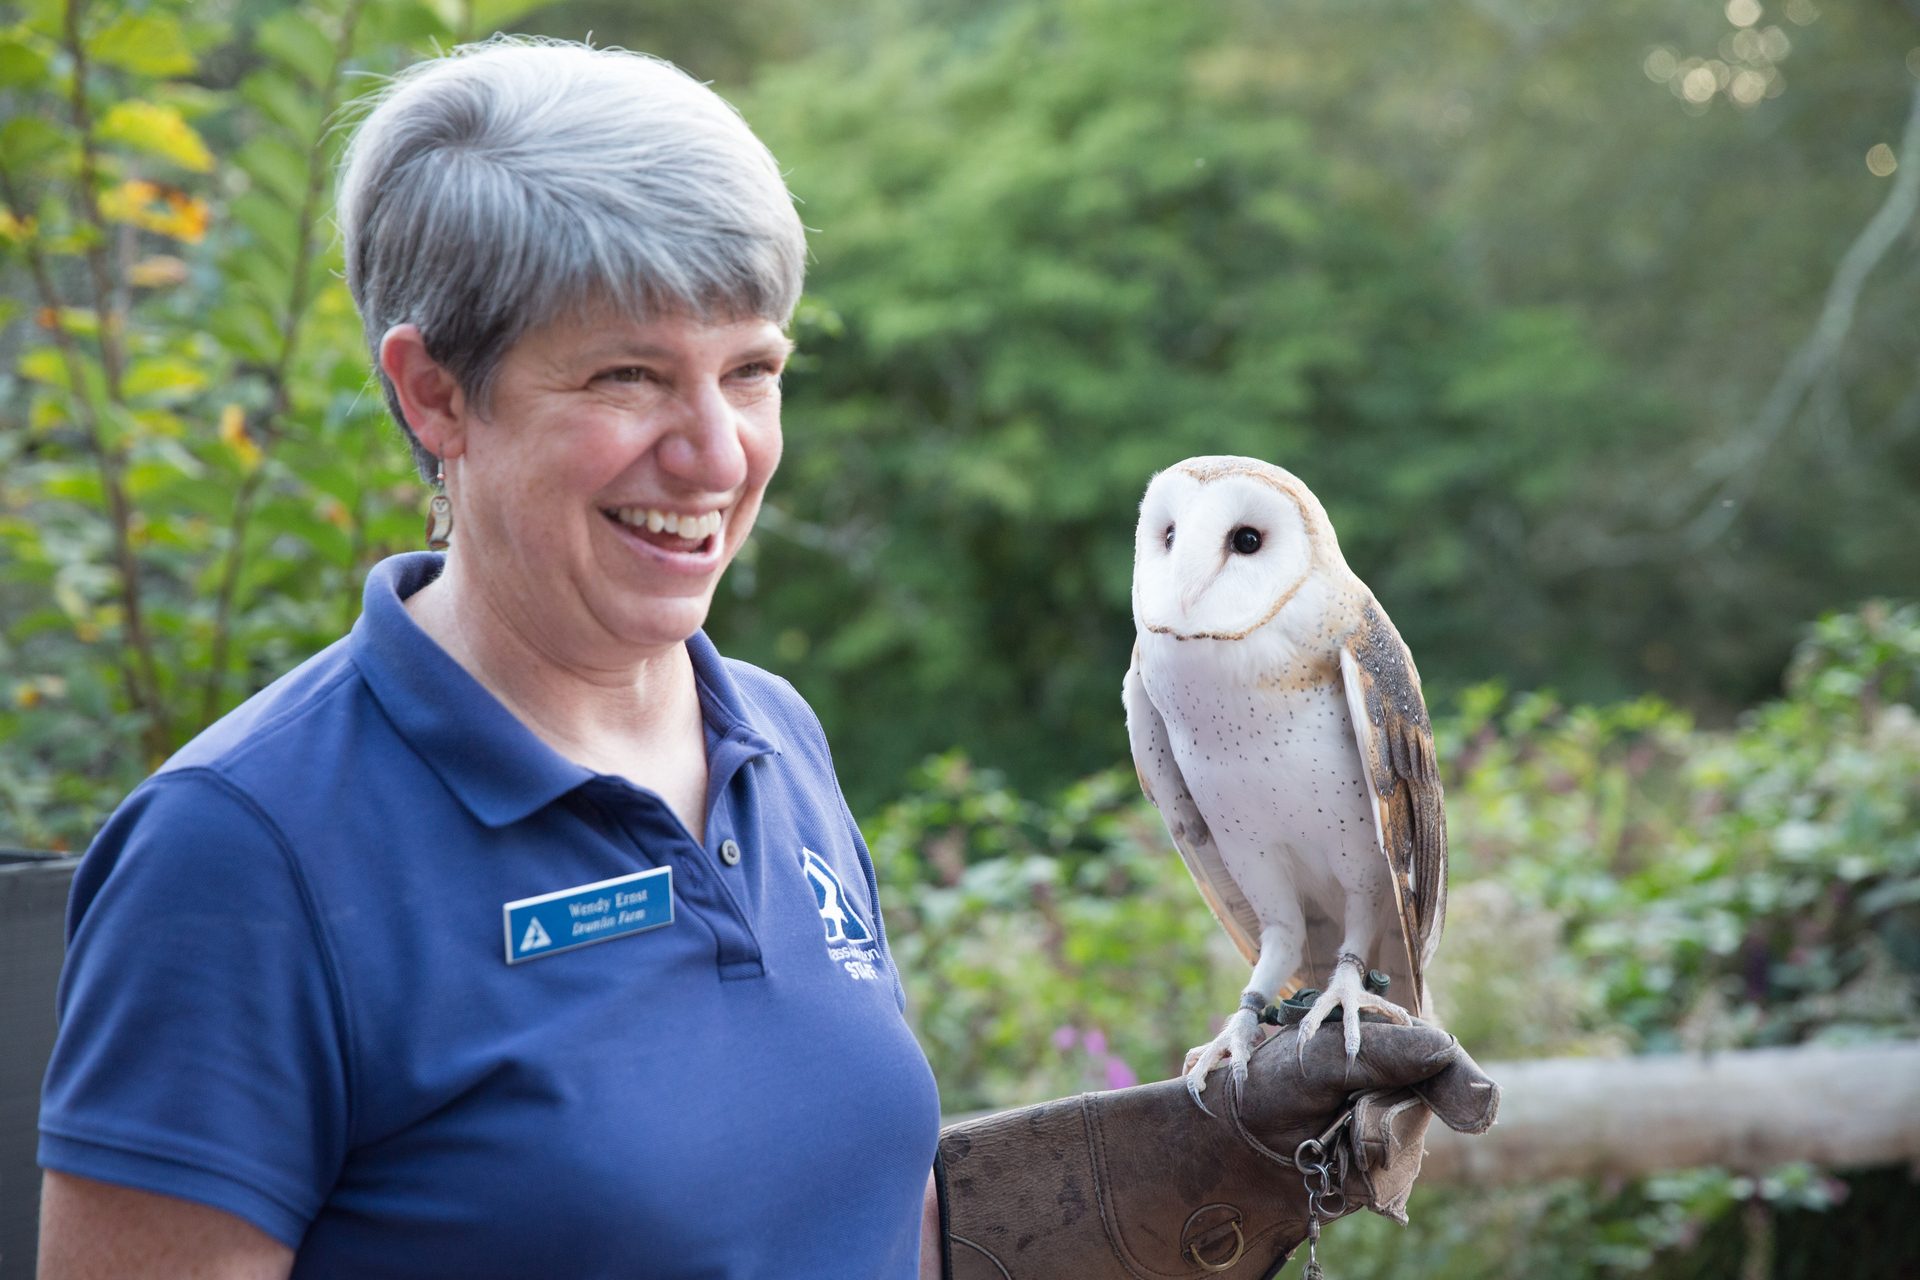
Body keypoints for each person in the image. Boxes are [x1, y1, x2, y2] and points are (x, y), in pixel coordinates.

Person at [36, 38, 1493, 1279]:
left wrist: (1215, 1153)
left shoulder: (771, 741)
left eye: (752, 370)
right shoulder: (242, 855)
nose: (718, 451)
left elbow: (855, 1224)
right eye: (628, 374)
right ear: (436, 395)